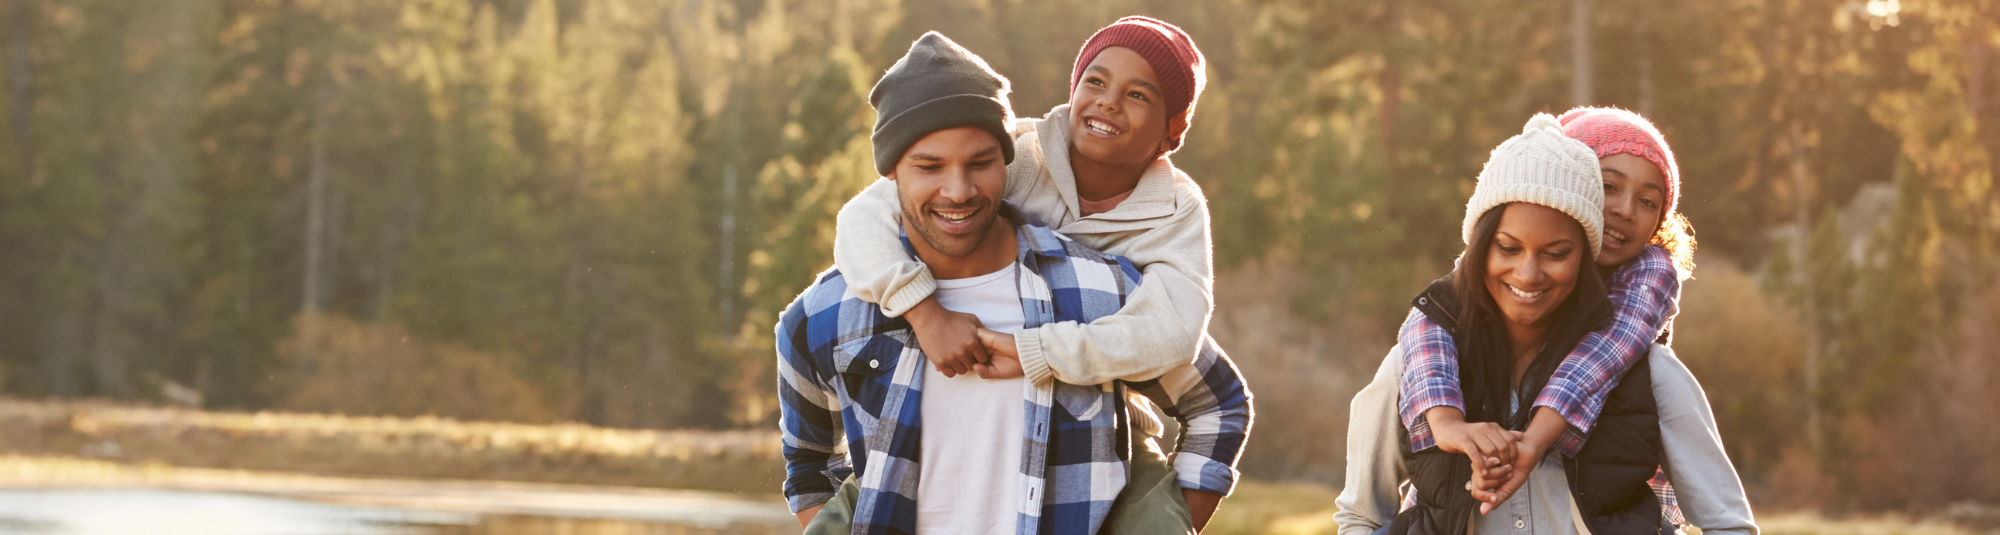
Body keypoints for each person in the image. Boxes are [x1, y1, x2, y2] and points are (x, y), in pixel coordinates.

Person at [776, 32, 1251, 535]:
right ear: (891, 173)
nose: (957, 190)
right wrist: (922, 310)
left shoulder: (1114, 284)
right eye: (929, 166)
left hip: (1107, 390)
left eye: (980, 163)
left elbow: (1193, 360)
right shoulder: (823, 316)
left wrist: (1171, 524)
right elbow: (808, 467)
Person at [1333, 114, 1757, 535]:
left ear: (1583, 255)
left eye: (1556, 253)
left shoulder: (1648, 371)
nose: (1528, 274)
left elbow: (1729, 525)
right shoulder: (1417, 359)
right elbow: (1360, 519)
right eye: (1507, 247)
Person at [833, 15, 1216, 391]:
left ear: (1171, 131)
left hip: (1103, 395)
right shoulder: (1015, 153)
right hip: (975, 373)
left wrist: (1040, 351)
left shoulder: (1175, 209)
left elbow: (1176, 331)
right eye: (1095, 81)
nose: (1108, 102)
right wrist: (924, 314)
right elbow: (861, 218)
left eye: (1137, 95)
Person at [1397, 107, 1700, 509]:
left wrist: (1536, 439)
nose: (1626, 210)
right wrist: (1446, 422)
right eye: (1609, 187)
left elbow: (1604, 351)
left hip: (1608, 500)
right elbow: (1436, 313)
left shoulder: (1651, 273)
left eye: (1648, 201)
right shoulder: (1506, 280)